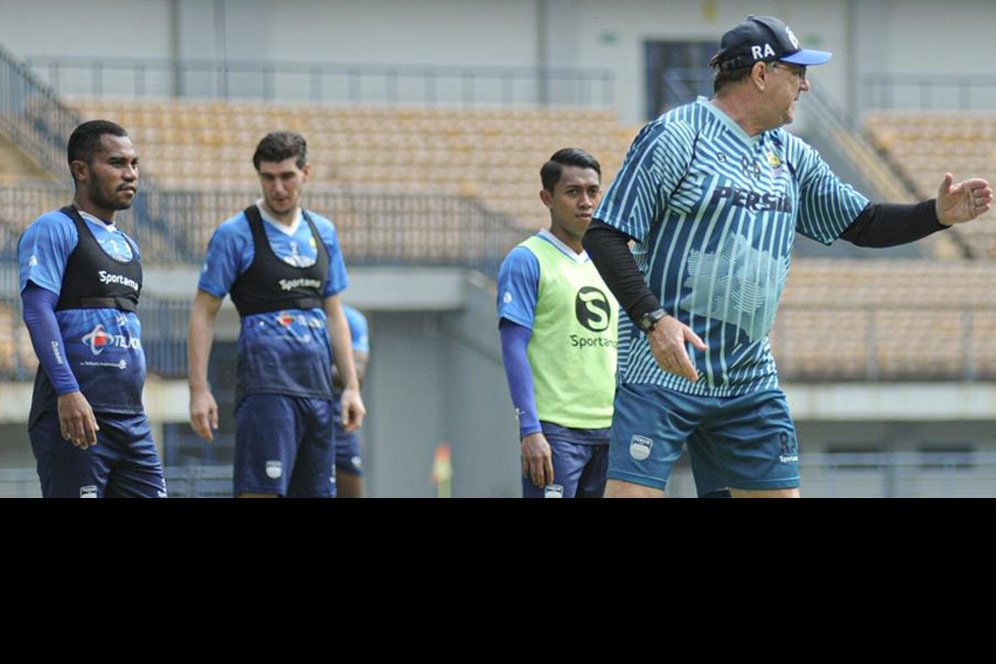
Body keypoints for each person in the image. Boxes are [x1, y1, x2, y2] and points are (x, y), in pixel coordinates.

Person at [582, 15, 992, 498]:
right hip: (663, 371)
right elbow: (605, 235)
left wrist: (936, 215)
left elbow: (861, 223)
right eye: (796, 72)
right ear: (760, 74)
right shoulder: (677, 136)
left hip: (747, 379)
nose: (806, 85)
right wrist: (655, 320)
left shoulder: (792, 155)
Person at [188, 131, 365, 498]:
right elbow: (203, 312)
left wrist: (350, 387)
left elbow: (334, 314)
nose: (278, 187)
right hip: (266, 391)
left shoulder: (323, 232)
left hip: (317, 392)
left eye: (287, 176)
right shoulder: (235, 234)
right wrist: (199, 390)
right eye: (268, 177)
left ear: (305, 173)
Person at [17, 120, 167, 498]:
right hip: (75, 413)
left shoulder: (130, 247)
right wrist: (68, 390)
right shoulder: (54, 228)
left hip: (131, 418)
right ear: (80, 170)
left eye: (133, 164)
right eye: (117, 163)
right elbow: (37, 312)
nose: (130, 174)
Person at [496, 148, 618, 498]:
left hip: (611, 430)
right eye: (573, 192)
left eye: (593, 191)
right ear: (547, 198)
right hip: (556, 432)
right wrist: (530, 430)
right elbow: (513, 347)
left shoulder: (609, 260)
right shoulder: (527, 259)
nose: (585, 201)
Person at [331, 304, 369, 498]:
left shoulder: (351, 319)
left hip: (338, 419)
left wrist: (306, 368)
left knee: (351, 481)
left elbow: (357, 374)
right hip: (293, 414)